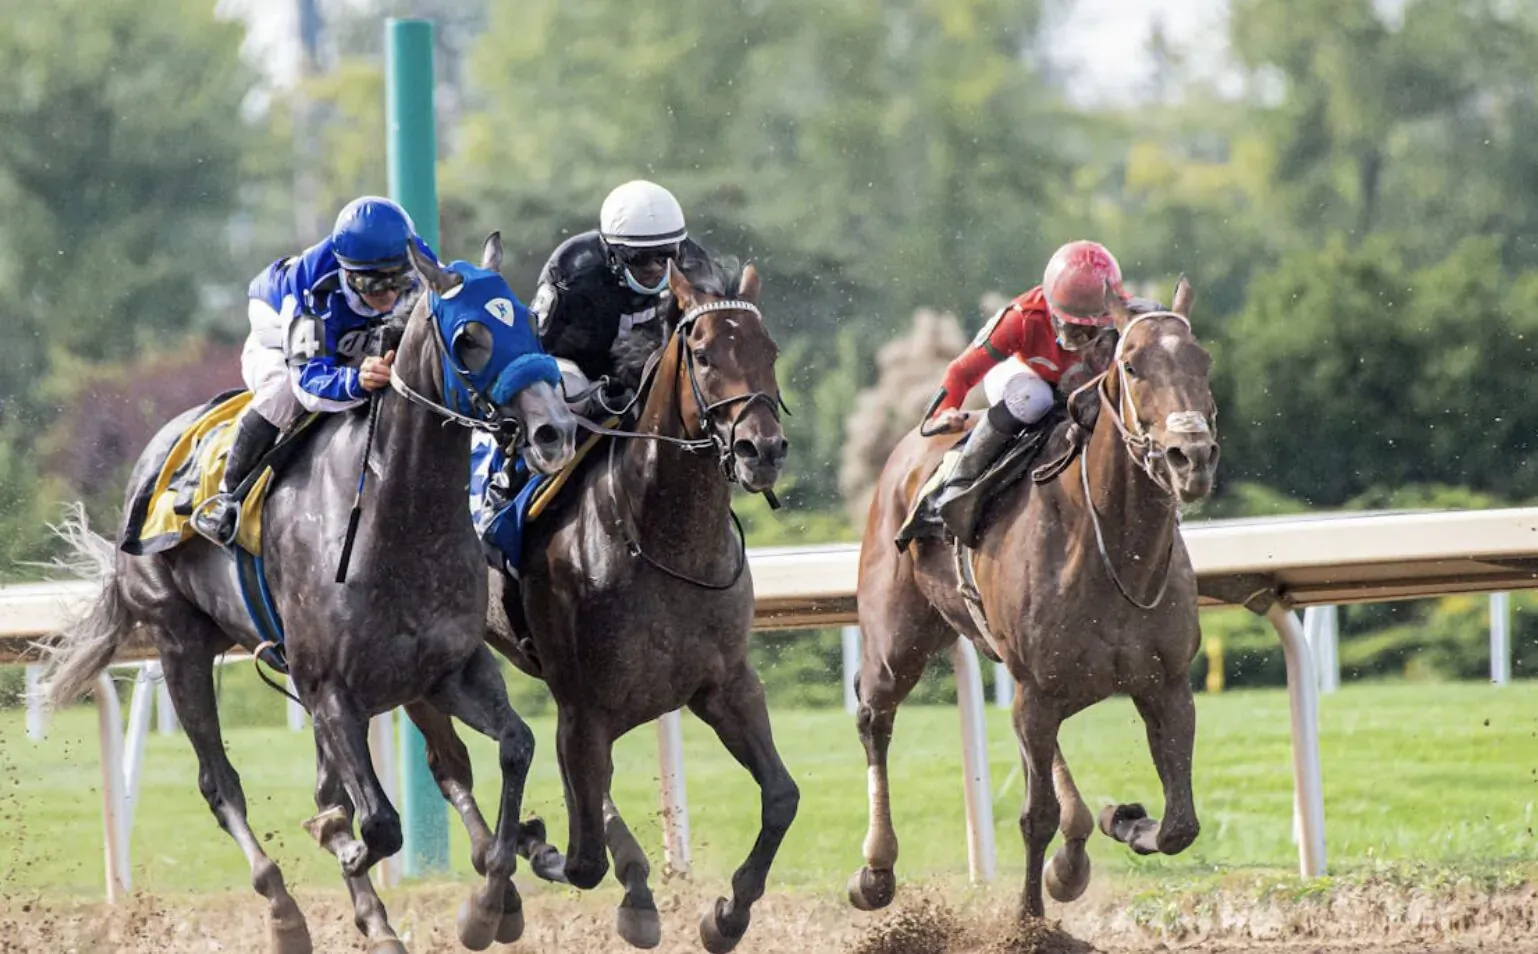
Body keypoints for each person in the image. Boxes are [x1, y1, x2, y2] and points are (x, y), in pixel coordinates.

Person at [191, 195, 437, 546]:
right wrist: (356, 380)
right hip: (282, 342)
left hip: (354, 336)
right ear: (347, 273)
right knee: (282, 394)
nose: (390, 295)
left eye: (399, 280)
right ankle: (227, 498)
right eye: (375, 285)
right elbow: (309, 384)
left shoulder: (417, 256)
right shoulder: (310, 291)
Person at [921, 240, 1159, 517]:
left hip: (1082, 387)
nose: (1086, 341)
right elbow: (962, 371)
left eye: (1097, 330)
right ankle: (961, 480)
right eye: (1075, 330)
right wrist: (945, 410)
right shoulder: (1022, 318)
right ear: (1052, 309)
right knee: (1035, 399)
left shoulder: (1131, 313)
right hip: (1025, 374)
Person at [528, 178, 705, 414]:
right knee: (566, 393)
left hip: (657, 371)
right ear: (613, 255)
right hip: (581, 377)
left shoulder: (694, 263)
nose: (656, 268)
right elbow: (535, 348)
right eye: (640, 257)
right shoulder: (573, 272)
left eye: (666, 255)